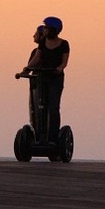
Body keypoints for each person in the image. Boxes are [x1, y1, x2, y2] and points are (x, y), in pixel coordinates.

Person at [26, 17, 70, 145]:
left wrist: (59, 68)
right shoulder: (43, 43)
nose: (44, 30)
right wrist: (27, 68)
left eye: (46, 27)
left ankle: (52, 138)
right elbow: (36, 58)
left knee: (53, 107)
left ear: (53, 30)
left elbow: (64, 62)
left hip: (55, 78)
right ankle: (40, 136)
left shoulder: (64, 44)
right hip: (42, 77)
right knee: (41, 106)